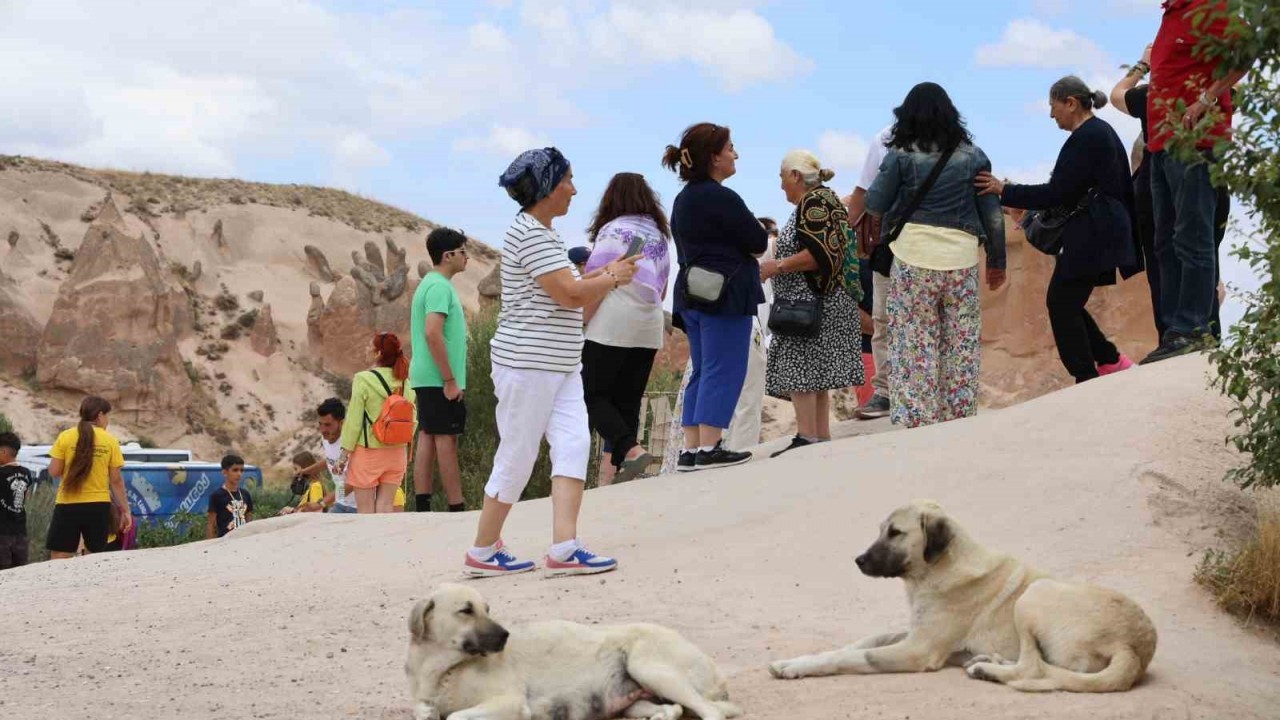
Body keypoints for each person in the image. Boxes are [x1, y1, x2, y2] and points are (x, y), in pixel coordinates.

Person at [465, 146, 639, 578]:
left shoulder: (541, 234)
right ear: (547, 187)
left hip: (558, 363)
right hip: (528, 363)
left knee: (574, 444)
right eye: (568, 181)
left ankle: (564, 547)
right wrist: (613, 278)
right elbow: (569, 294)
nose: (574, 190)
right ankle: (483, 550)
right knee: (519, 453)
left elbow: (569, 291)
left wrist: (605, 277)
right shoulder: (531, 234)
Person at [977, 77, 1139, 384]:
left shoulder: (1088, 136)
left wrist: (1005, 190)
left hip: (1093, 233)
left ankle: (1087, 375)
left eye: (1053, 107)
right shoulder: (1098, 133)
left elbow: (1057, 192)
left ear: (1070, 103)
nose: (1052, 115)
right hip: (1100, 231)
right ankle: (1107, 359)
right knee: (1067, 301)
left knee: (1061, 302)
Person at [867, 83, 1007, 429]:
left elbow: (875, 203)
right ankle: (958, 417)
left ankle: (918, 420)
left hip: (914, 257)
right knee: (960, 340)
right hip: (961, 260)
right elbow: (991, 213)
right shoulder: (974, 156)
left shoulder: (899, 155)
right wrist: (997, 261)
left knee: (914, 340)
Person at [1141, 0, 1247, 363]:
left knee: (1192, 236)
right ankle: (1176, 330)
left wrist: (1205, 99)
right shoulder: (1172, 11)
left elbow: (1245, 51)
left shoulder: (1210, 5)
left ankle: (1193, 329)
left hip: (1195, 142)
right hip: (1162, 143)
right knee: (1166, 241)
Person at [663, 123, 769, 471]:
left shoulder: (683, 199)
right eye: (730, 148)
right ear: (714, 156)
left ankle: (692, 449)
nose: (735, 154)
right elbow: (757, 241)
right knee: (724, 369)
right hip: (724, 294)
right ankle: (710, 448)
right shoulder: (721, 197)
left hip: (692, 294)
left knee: (704, 370)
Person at [1112, 43, 1233, 344]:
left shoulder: (1152, 97)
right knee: (1204, 251)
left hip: (1161, 179)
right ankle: (1209, 332)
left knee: (1163, 259)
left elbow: (1116, 95)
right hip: (1213, 177)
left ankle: (1173, 333)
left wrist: (1142, 65)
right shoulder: (1214, 92)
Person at [759, 150, 865, 456]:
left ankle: (806, 438)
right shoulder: (826, 199)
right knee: (816, 375)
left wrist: (775, 267)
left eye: (782, 178)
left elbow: (819, 255)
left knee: (800, 369)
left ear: (795, 175)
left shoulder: (815, 203)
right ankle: (818, 437)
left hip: (809, 304)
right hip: (825, 302)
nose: (781, 187)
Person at [580, 172, 672, 485]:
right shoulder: (659, 235)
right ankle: (615, 473)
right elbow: (661, 290)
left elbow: (597, 282)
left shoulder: (613, 230)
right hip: (649, 325)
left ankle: (630, 451)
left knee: (589, 393)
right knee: (628, 400)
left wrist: (583, 320)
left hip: (614, 320)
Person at [410, 227, 470, 513]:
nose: (466, 257)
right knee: (446, 438)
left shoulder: (430, 284)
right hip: (438, 377)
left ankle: (423, 504)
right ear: (448, 256)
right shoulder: (438, 287)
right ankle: (456, 506)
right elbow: (432, 333)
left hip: (428, 375)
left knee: (429, 434)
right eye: (462, 252)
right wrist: (449, 379)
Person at [337, 333, 416, 514]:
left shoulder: (363, 379)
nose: (366, 349)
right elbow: (413, 419)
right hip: (397, 452)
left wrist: (343, 456)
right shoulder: (405, 382)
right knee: (386, 507)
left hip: (368, 452)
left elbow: (354, 421)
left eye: (369, 347)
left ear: (377, 354)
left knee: (365, 510)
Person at [45, 396, 132, 559]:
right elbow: (116, 481)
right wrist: (126, 511)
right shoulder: (110, 440)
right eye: (108, 416)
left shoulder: (66, 436)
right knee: (95, 556)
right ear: (100, 415)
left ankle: (57, 584)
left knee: (60, 553)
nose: (108, 421)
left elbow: (54, 471)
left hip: (67, 503)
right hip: (98, 505)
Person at [847, 125, 894, 420]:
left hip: (868, 347)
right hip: (864, 350)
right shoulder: (959, 145)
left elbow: (865, 192)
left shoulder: (886, 140)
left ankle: (886, 394)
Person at [303, 397, 355, 514]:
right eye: (320, 424)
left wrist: (321, 504)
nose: (322, 430)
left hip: (357, 506)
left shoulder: (349, 443)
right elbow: (330, 460)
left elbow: (352, 484)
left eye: (327, 425)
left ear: (341, 423)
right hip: (341, 503)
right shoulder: (326, 438)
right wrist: (305, 471)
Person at [0, 432, 33, 570]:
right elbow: (25, 497)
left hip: (1, 533)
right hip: (20, 533)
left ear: (3, 451)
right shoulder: (26, 473)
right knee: (19, 572)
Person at [207, 454, 254, 538]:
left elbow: (249, 519)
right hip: (225, 542)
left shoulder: (245, 494)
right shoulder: (217, 496)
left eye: (241, 470)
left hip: (244, 540)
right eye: (235, 470)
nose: (239, 474)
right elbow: (211, 525)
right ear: (224, 472)